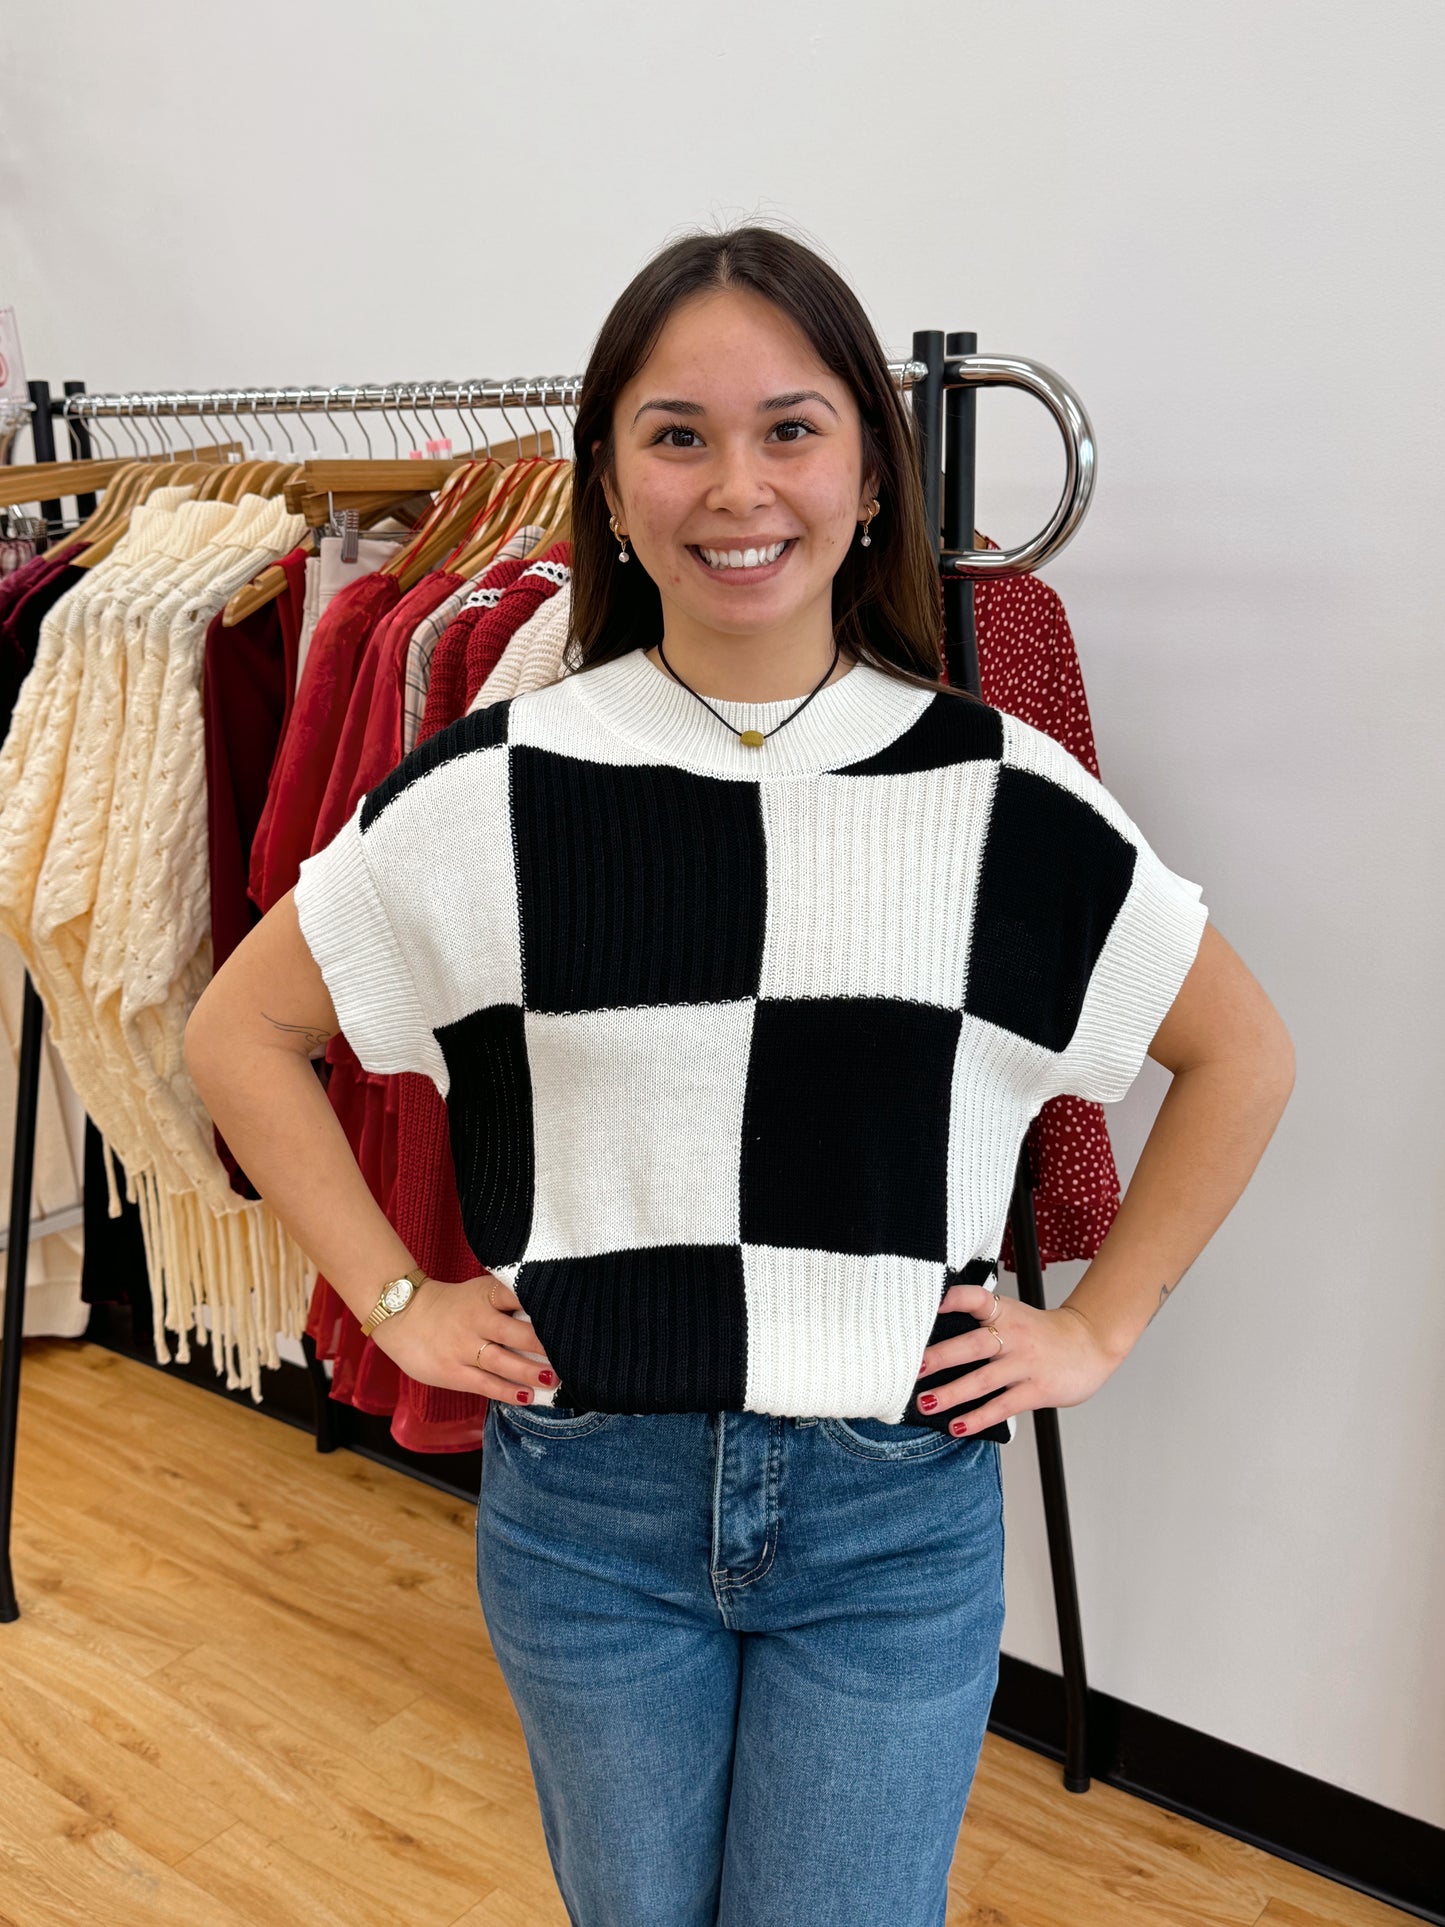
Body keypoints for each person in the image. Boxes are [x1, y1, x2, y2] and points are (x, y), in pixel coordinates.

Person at [185, 222, 1294, 1926]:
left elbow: (1238, 1053)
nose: (736, 487)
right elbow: (236, 1033)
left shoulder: (1004, 795)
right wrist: (395, 1292)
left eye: (789, 428)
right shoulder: (495, 785)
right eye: (675, 435)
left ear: (868, 472)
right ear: (610, 487)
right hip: (588, 1508)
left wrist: (1095, 1326)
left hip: (890, 1510)